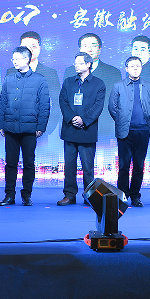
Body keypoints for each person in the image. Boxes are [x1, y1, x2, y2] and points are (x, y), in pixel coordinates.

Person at [0, 46, 50, 206]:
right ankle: (9, 195)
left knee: (28, 163)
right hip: (10, 128)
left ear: (27, 59)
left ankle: (26, 195)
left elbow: (44, 105)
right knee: (10, 163)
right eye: (13, 59)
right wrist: (1, 124)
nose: (14, 61)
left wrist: (41, 126)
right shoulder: (9, 79)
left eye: (17, 59)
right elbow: (2, 102)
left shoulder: (39, 79)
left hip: (30, 129)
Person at [108, 56, 150, 207]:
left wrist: (145, 118)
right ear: (126, 69)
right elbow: (112, 107)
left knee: (139, 165)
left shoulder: (149, 86)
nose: (135, 68)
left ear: (141, 68)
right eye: (132, 66)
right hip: (125, 131)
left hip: (143, 131)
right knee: (124, 165)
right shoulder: (118, 86)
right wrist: (122, 121)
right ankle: (122, 195)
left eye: (138, 66)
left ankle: (135, 196)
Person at [58, 52, 106, 205]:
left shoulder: (99, 84)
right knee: (69, 166)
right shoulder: (68, 82)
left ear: (88, 64)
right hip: (70, 129)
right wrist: (72, 118)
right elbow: (63, 102)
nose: (76, 66)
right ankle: (69, 195)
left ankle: (89, 196)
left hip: (87, 130)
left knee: (88, 167)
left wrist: (83, 119)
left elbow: (98, 106)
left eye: (79, 63)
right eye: (75, 63)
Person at [64, 33, 120, 136]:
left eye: (93, 46)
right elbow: (65, 100)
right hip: (72, 125)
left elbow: (113, 102)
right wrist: (74, 118)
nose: (89, 49)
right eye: (85, 46)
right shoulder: (70, 71)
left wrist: (85, 119)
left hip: (103, 126)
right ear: (80, 49)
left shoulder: (113, 72)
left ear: (100, 49)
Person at [5, 31, 60, 136]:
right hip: (14, 129)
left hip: (40, 130)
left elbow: (57, 102)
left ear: (39, 48)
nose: (29, 50)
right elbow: (5, 101)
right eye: (25, 47)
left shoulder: (50, 73)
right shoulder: (11, 72)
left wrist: (47, 128)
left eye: (33, 46)